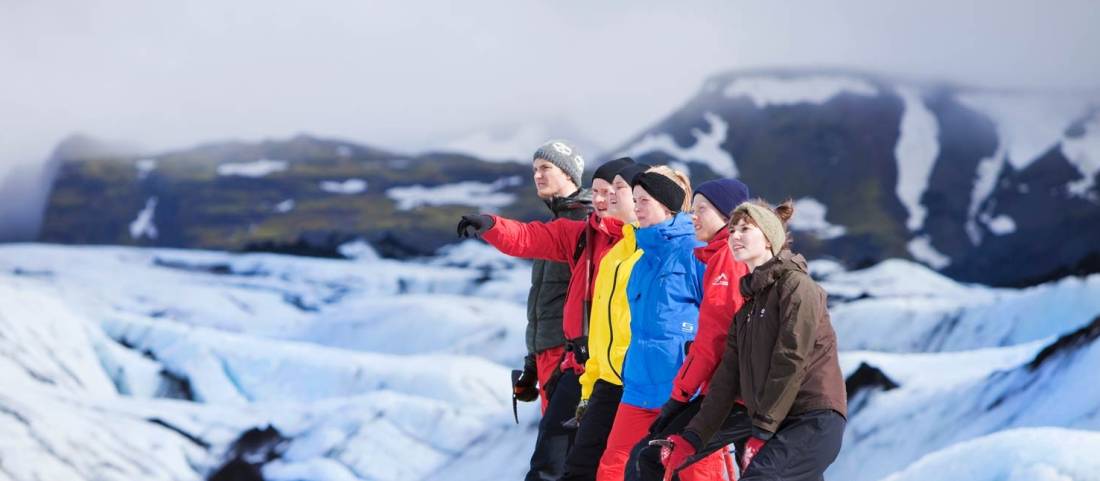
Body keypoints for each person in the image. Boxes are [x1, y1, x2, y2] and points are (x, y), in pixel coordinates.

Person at [656, 200, 848, 481]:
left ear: (769, 238)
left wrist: (763, 431)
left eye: (745, 229)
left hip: (813, 417)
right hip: (780, 422)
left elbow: (790, 359)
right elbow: (726, 380)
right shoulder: (748, 307)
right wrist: (693, 438)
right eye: (732, 230)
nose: (734, 236)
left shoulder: (797, 287)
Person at [456, 139, 591, 481]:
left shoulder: (585, 224)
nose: (538, 176)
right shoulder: (559, 221)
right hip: (550, 355)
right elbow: (545, 302)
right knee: (559, 457)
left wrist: (492, 224)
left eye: (546, 168)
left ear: (569, 173)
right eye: (534, 170)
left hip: (573, 357)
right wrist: (532, 363)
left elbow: (587, 299)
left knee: (561, 459)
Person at [626, 178, 754, 481]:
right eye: (692, 208)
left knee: (652, 456)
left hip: (737, 393)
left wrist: (681, 394)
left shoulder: (727, 258)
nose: (693, 215)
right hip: (730, 389)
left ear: (729, 216)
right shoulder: (715, 255)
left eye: (702, 209)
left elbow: (715, 336)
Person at [595, 165, 709, 481]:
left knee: (688, 472)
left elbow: (719, 318)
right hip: (638, 385)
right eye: (634, 199)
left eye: (643, 200)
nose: (636, 207)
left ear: (666, 203)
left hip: (683, 390)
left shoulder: (696, 253)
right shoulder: (642, 261)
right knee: (613, 468)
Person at [561, 161, 649, 481]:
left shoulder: (655, 253)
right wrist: (588, 389)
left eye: (618, 189)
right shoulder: (616, 254)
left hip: (641, 385)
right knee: (580, 467)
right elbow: (600, 332)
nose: (607, 197)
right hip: (606, 383)